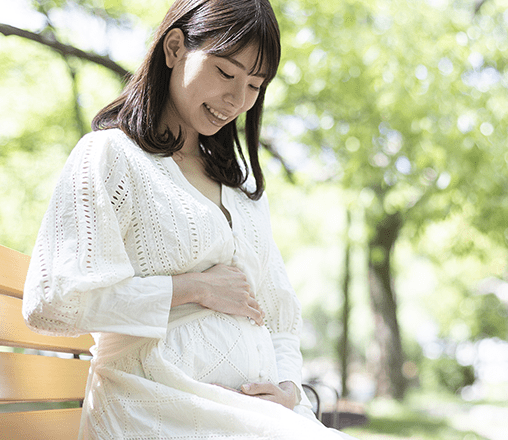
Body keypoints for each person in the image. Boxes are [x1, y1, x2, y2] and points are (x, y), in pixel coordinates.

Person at [22, 0, 357, 439]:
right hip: (156, 402)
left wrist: (289, 389)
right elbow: (53, 301)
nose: (237, 100)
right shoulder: (112, 157)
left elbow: (279, 317)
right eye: (225, 72)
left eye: (255, 85)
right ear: (175, 48)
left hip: (250, 415)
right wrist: (192, 288)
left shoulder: (243, 194)